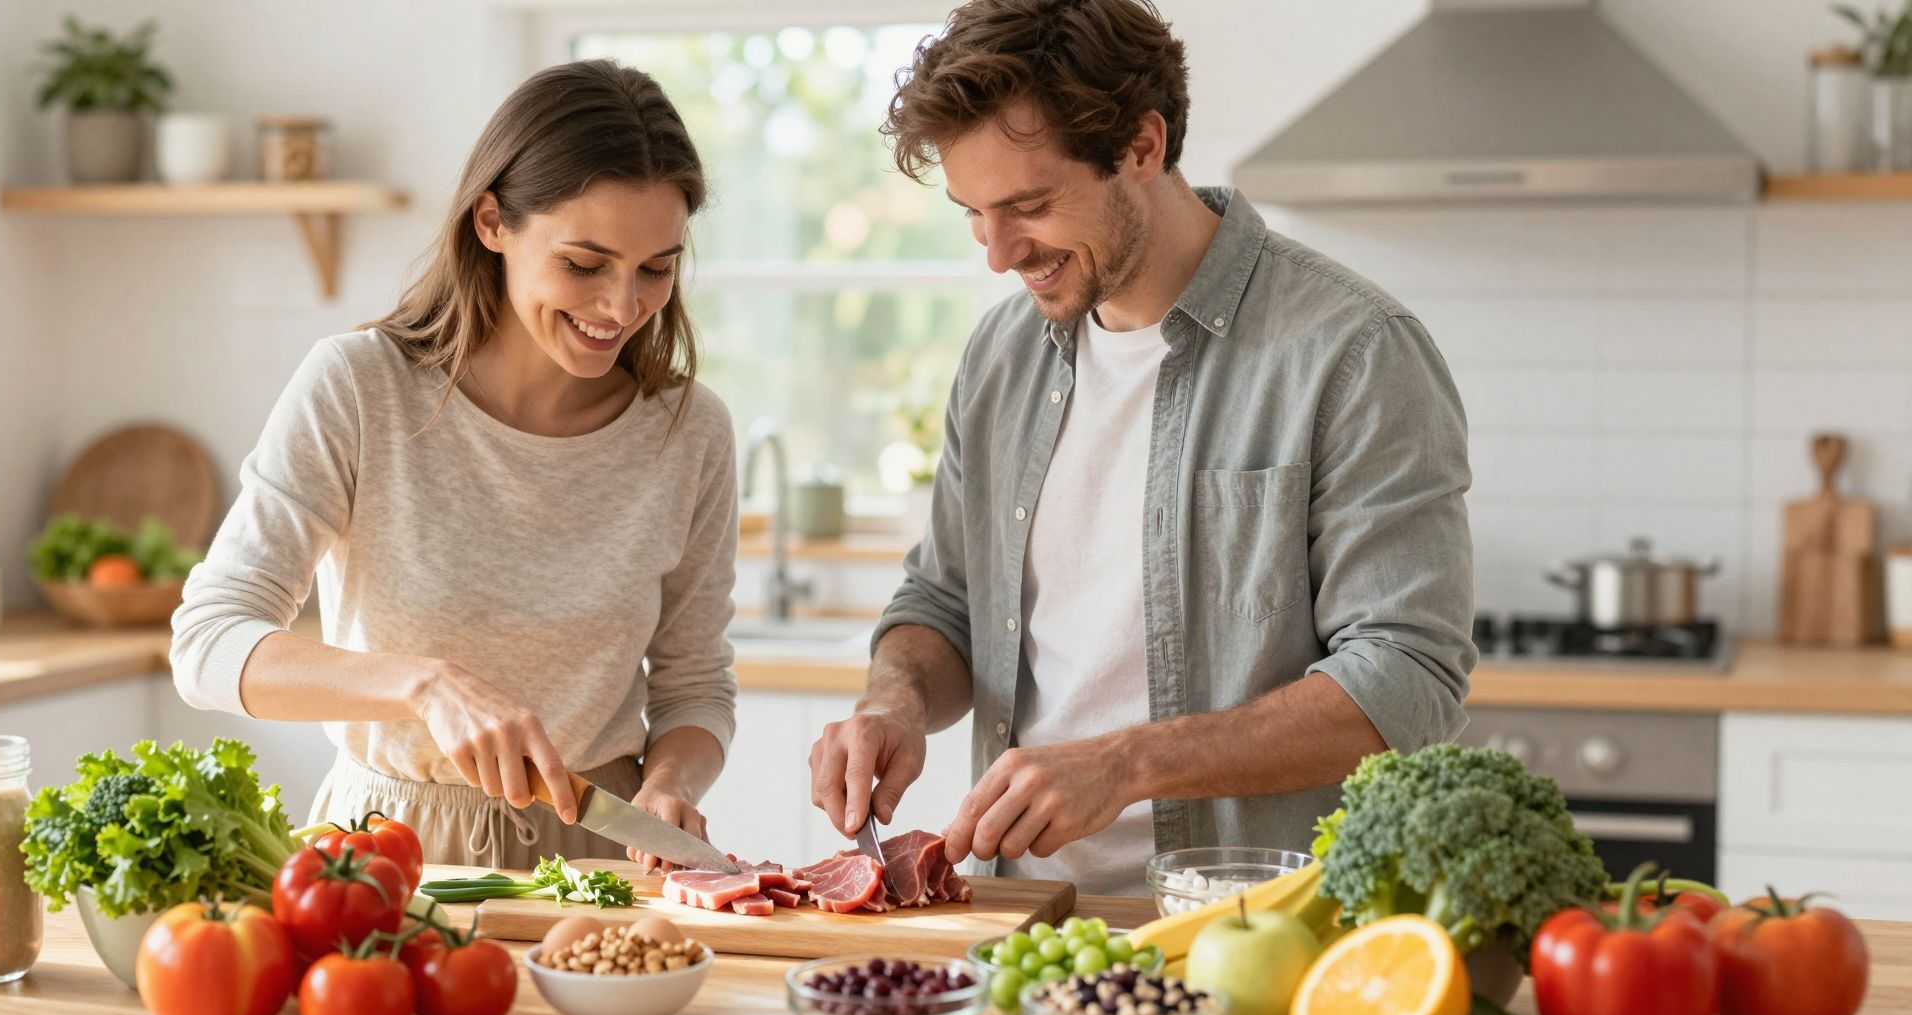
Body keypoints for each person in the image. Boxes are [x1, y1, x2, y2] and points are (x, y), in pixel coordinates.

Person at [809, 0, 1476, 897]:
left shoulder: (1352, 350)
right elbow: (947, 600)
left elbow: (1405, 678)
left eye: (1030, 206)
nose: (1001, 255)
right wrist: (896, 703)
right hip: (1026, 917)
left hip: (1254, 928)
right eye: (974, 215)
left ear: (1143, 146)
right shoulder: (1002, 356)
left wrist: (1127, 764)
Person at [172, 60, 739, 871]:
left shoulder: (689, 432)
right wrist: (423, 686)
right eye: (584, 263)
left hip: (602, 852)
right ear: (491, 222)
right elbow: (209, 643)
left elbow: (695, 688)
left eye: (657, 268)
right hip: (383, 853)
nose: (622, 307)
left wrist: (671, 783)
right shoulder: (360, 388)